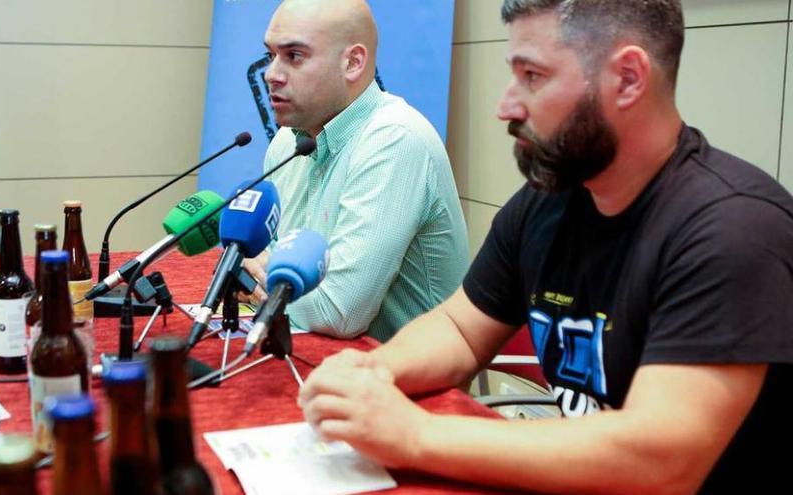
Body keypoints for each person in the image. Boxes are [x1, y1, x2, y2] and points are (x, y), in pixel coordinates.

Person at [298, 1, 793, 493]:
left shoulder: (733, 229)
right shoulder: (546, 203)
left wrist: (414, 434)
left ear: (627, 78)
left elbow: (661, 459)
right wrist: (373, 371)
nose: (506, 106)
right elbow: (461, 330)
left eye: (532, 76)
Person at [245, 0, 469, 342]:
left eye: (294, 56)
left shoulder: (395, 139)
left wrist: (250, 285)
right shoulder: (288, 141)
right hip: (315, 357)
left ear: (353, 63)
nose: (271, 74)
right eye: (271, 54)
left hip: (407, 385)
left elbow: (338, 311)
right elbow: (264, 258)